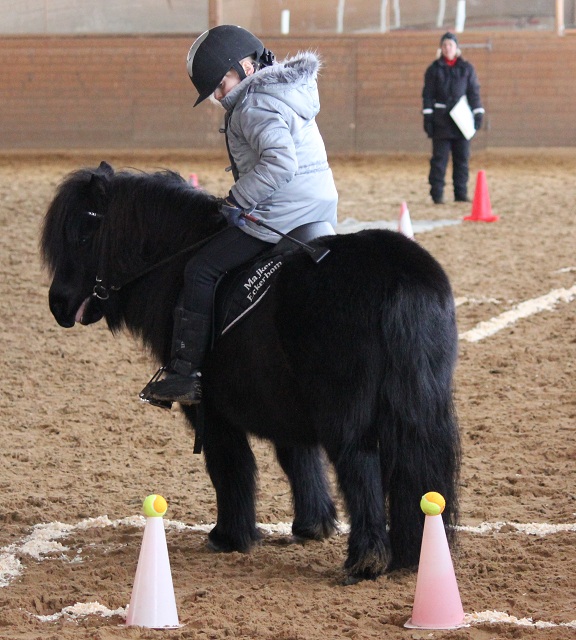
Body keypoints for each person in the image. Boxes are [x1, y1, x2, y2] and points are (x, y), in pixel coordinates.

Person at [144, 24, 338, 405]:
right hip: (318, 205)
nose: (219, 96)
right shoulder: (283, 91)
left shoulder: (253, 105)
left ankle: (186, 374)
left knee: (201, 270)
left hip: (282, 212)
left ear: (246, 68)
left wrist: (236, 200)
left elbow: (280, 164)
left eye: (221, 84)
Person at [422, 32, 485, 204]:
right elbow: (427, 96)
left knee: (462, 159)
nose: (447, 48)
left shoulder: (466, 69)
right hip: (441, 122)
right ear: (441, 48)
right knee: (439, 160)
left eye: (450, 45)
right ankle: (437, 194)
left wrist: (478, 112)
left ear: (456, 48)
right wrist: (428, 118)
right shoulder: (433, 70)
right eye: (444, 45)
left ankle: (461, 193)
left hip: (461, 121)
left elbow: (473, 92)